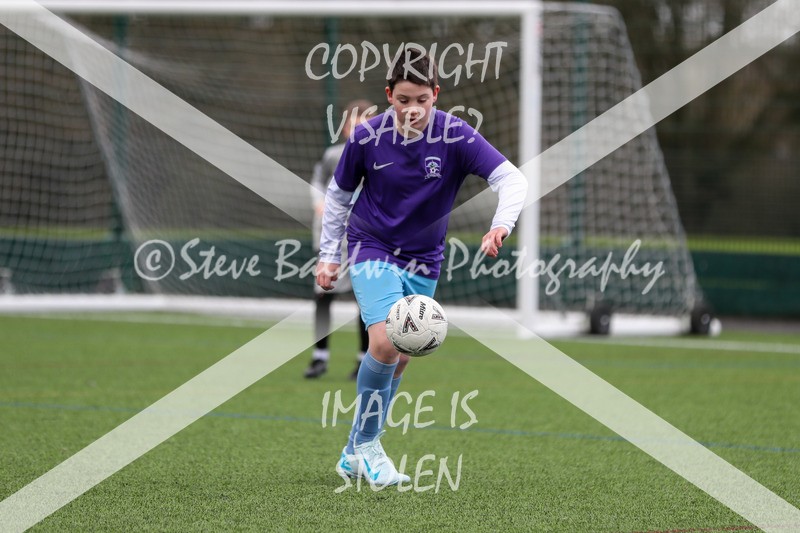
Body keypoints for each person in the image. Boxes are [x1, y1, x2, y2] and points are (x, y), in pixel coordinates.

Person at [316, 50, 528, 487]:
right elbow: (338, 198)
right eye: (403, 100)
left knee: (404, 352)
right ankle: (372, 448)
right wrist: (329, 255)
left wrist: (501, 225)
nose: (412, 110)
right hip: (371, 246)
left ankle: (353, 450)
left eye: (422, 101)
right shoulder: (366, 137)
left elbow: (512, 179)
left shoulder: (456, 136)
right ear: (389, 95)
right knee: (387, 341)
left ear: (436, 95)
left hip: (425, 259)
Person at [304, 100, 376, 379]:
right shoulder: (333, 155)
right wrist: (319, 202)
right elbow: (318, 182)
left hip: (364, 240)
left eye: (366, 127)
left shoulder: (380, 157)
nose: (359, 132)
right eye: (354, 126)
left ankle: (363, 361)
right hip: (331, 239)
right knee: (322, 294)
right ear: (346, 129)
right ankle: (319, 356)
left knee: (366, 300)